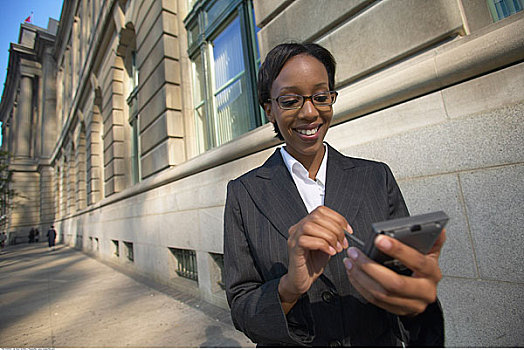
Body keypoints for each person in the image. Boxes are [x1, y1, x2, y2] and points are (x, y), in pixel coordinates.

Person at [223, 43, 446, 347]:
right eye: (290, 100)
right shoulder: (244, 193)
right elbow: (242, 307)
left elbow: (407, 284)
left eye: (321, 96)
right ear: (269, 110)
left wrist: (415, 296)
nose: (309, 112)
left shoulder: (376, 177)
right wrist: (289, 287)